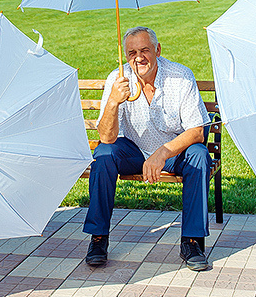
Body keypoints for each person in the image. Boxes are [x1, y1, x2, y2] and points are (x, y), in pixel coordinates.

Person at [84, 26, 212, 271]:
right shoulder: (118, 79)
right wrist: (112, 100)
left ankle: (192, 241)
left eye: (145, 50)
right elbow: (106, 137)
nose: (138, 57)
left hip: (173, 153)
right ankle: (98, 238)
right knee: (103, 155)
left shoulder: (181, 76)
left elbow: (197, 132)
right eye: (132, 52)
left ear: (158, 50)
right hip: (133, 151)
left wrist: (162, 153)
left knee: (199, 156)